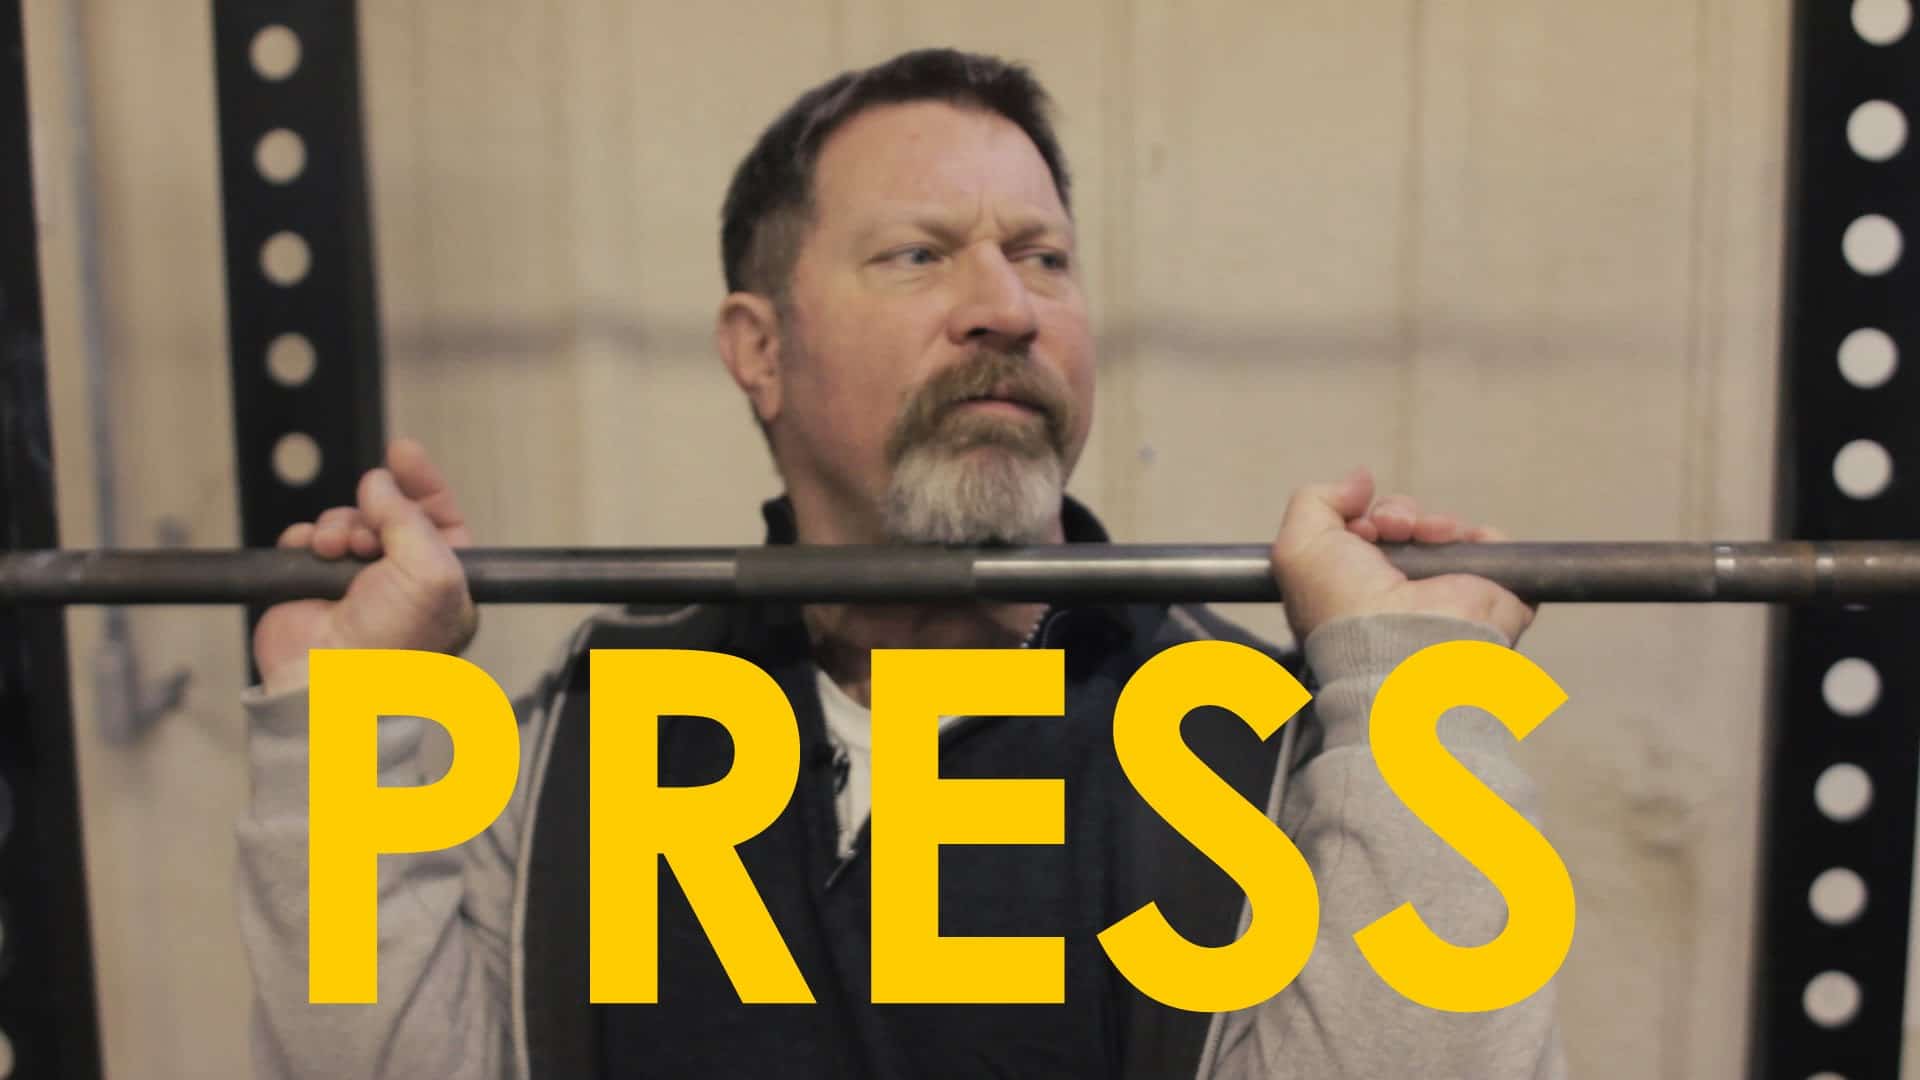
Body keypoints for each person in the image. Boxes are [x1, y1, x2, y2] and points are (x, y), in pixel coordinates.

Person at [236, 48, 1565, 1080]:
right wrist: (349, 717)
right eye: (919, 256)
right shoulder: (593, 739)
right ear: (759, 349)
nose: (1009, 306)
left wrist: (1414, 700)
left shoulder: (1253, 743)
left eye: (1044, 257)